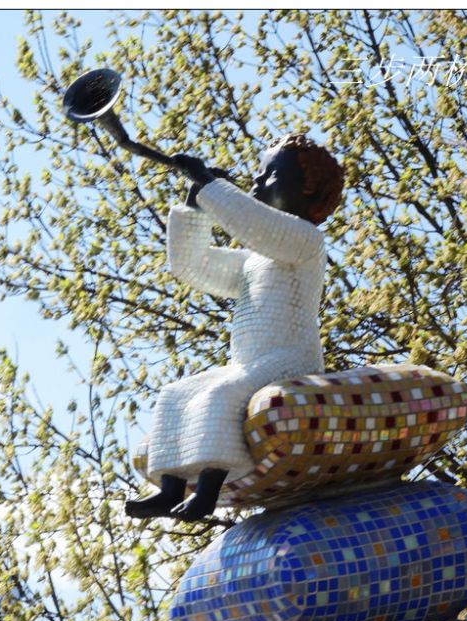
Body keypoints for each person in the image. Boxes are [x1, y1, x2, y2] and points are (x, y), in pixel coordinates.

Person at [124, 134, 344, 521]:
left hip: (290, 359)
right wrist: (197, 204)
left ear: (307, 190)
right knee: (176, 393)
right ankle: (170, 488)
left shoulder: (305, 242)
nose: (256, 181)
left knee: (222, 395)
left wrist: (211, 185)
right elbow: (193, 266)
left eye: (270, 174)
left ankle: (207, 492)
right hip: (250, 363)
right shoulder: (254, 260)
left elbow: (256, 225)